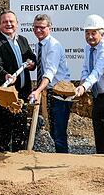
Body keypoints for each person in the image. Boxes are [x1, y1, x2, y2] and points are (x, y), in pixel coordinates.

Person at [0, 9, 36, 152]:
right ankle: (1, 166)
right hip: (4, 96)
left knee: (20, 132)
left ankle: (18, 161)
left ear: (17, 24)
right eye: (5, 22)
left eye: (11, 21)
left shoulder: (22, 40)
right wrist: (5, 75)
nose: (8, 24)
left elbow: (31, 57)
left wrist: (32, 63)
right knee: (3, 133)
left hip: (21, 95)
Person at [74, 14, 104, 154]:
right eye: (87, 33)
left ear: (102, 33)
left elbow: (96, 73)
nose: (90, 37)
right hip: (99, 95)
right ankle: (100, 160)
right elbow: (86, 68)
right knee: (99, 129)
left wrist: (84, 87)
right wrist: (83, 82)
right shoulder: (87, 48)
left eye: (93, 33)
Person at [28, 13, 72, 153]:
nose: (38, 30)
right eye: (35, 27)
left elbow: (49, 73)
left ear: (50, 28)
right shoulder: (40, 44)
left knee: (59, 132)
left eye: (42, 27)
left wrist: (38, 90)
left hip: (61, 94)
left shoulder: (53, 46)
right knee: (52, 130)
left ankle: (63, 159)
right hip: (51, 92)